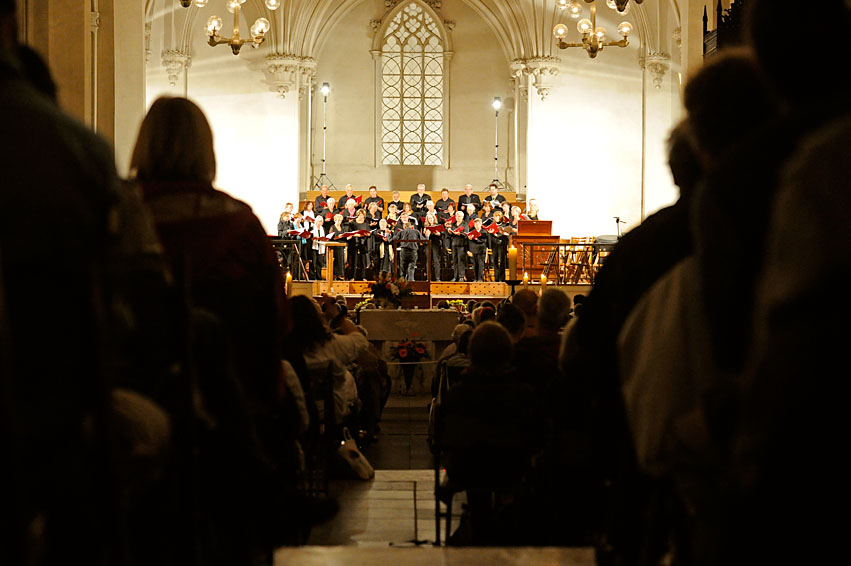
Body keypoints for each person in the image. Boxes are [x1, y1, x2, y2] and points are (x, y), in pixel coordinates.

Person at [489, 210, 510, 282]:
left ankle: (502, 278)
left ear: (500, 217)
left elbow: (506, 234)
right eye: (495, 216)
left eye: (498, 216)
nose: (496, 218)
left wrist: (498, 234)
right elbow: (490, 235)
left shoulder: (505, 224)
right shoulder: (492, 224)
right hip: (494, 244)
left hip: (502, 244)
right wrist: (491, 233)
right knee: (494, 261)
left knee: (502, 261)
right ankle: (496, 278)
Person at [423, 212, 444, 281]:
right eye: (429, 218)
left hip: (436, 244)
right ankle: (428, 278)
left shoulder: (437, 226)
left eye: (431, 218)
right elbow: (423, 238)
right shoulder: (425, 227)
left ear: (434, 218)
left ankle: (437, 278)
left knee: (436, 261)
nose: (430, 220)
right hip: (428, 245)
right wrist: (426, 235)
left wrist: (439, 234)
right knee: (428, 261)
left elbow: (443, 236)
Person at [449, 211, 469, 282]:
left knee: (461, 261)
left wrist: (459, 234)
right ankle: (455, 276)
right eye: (457, 216)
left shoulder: (465, 224)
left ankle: (461, 276)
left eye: (459, 216)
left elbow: (466, 234)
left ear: (462, 217)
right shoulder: (453, 224)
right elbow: (450, 235)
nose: (458, 218)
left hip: (462, 245)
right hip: (454, 244)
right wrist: (450, 232)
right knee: (455, 261)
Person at [326, 213, 347, 279]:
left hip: (341, 245)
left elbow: (344, 235)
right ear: (335, 220)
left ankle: (340, 274)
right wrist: (338, 237)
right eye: (337, 220)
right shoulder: (332, 227)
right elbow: (330, 237)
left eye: (340, 220)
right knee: (336, 260)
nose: (339, 222)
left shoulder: (342, 227)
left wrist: (347, 237)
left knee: (341, 260)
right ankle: (335, 274)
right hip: (335, 245)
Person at [310, 215, 327, 280]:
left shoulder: (323, 229)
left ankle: (318, 276)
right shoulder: (312, 228)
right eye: (319, 221)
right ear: (316, 221)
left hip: (320, 247)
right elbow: (309, 237)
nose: (320, 223)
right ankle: (312, 276)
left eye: (321, 221)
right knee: (313, 262)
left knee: (319, 262)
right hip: (313, 247)